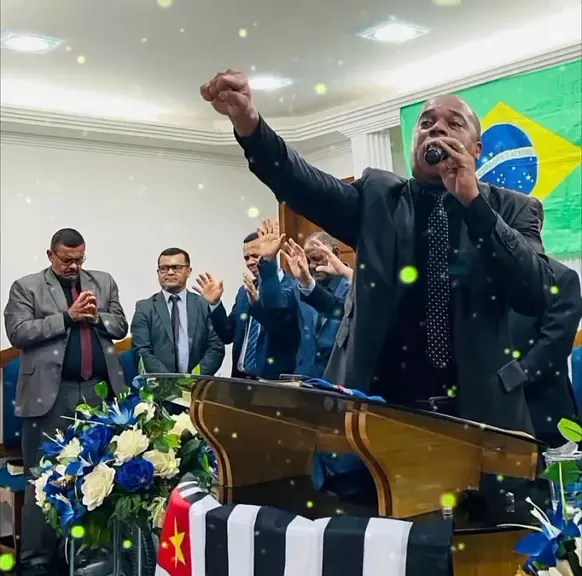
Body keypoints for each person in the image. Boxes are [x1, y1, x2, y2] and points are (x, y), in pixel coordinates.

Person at [200, 70, 554, 434]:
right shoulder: (378, 198)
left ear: (476, 149)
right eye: (426, 123)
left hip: (479, 416)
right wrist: (249, 125)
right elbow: (301, 181)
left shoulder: (513, 209)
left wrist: (474, 204)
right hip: (379, 412)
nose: (436, 129)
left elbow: (535, 292)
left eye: (454, 123)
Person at [3, 228, 128, 575]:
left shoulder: (103, 282)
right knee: (43, 476)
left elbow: (120, 325)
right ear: (51, 255)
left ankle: (90, 552)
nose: (74, 266)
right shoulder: (26, 287)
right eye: (67, 259)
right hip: (49, 396)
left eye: (79, 259)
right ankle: (38, 558)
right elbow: (19, 332)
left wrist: (97, 317)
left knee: (98, 473)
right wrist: (66, 317)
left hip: (98, 393)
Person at [510, 199, 582, 447]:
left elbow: (553, 347)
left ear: (537, 226)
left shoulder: (563, 278)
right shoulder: (483, 278)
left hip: (545, 416)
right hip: (491, 417)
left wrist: (507, 381)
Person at [193, 220, 299, 380]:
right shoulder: (244, 292)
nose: (250, 262)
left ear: (270, 251)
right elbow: (228, 334)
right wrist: (215, 304)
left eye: (255, 256)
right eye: (246, 258)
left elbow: (283, 332)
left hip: (274, 381)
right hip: (241, 380)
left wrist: (257, 305)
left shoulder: (292, 288)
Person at [130, 247, 225, 375]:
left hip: (198, 383)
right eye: (164, 268)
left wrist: (193, 379)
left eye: (177, 268)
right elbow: (141, 351)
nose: (170, 272)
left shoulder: (204, 305)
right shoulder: (144, 308)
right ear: (158, 272)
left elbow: (216, 348)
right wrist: (170, 383)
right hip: (159, 384)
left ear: (188, 271)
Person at [281, 232, 351, 377]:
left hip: (339, 376)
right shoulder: (302, 288)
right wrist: (268, 264)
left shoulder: (354, 288)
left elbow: (337, 309)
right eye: (308, 260)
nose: (312, 265)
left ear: (335, 254)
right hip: (305, 375)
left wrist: (349, 275)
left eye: (317, 259)